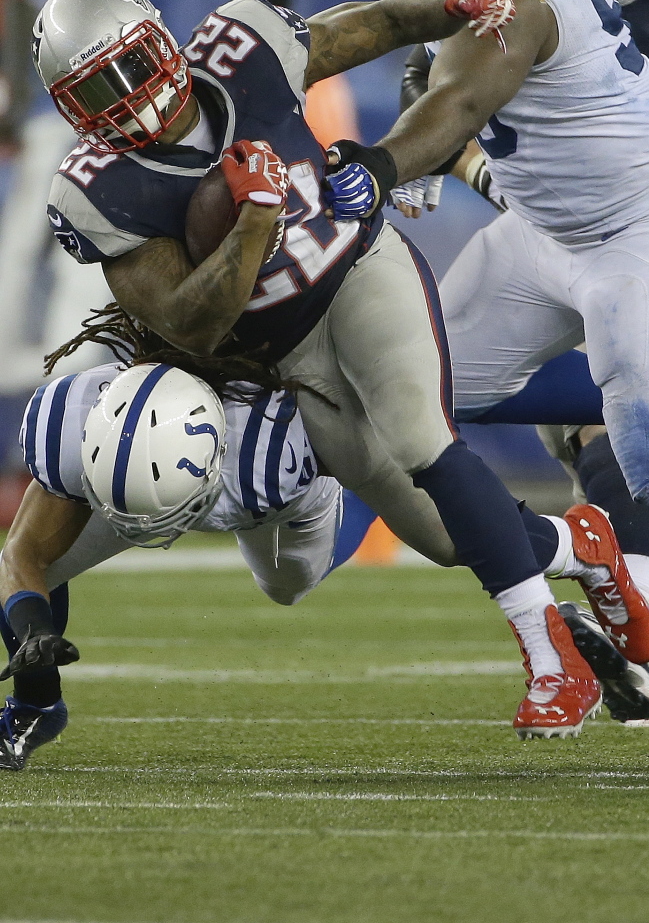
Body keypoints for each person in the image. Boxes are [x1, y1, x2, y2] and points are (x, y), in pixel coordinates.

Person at [31, 0, 649, 741]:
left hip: (358, 269)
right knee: (441, 534)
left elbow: (378, 21)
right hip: (287, 352)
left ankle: (550, 660)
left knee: (421, 437)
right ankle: (586, 546)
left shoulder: (242, 45)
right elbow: (190, 325)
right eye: (96, 87)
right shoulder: (98, 189)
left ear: (162, 40)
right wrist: (254, 225)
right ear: (71, 108)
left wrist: (448, 7)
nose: (126, 95)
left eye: (130, 64)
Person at [332, 0, 649, 716]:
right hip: (543, 232)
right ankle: (578, 557)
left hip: (639, 228)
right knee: (401, 400)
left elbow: (468, 93)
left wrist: (381, 166)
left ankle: (632, 605)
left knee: (646, 446)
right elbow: (442, 77)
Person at [0, 325, 387, 769]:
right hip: (120, 487)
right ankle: (35, 710)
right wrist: (33, 629)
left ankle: (355, 503)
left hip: (251, 490)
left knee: (286, 586)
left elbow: (369, 435)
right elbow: (21, 556)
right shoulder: (73, 421)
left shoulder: (271, 460)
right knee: (22, 582)